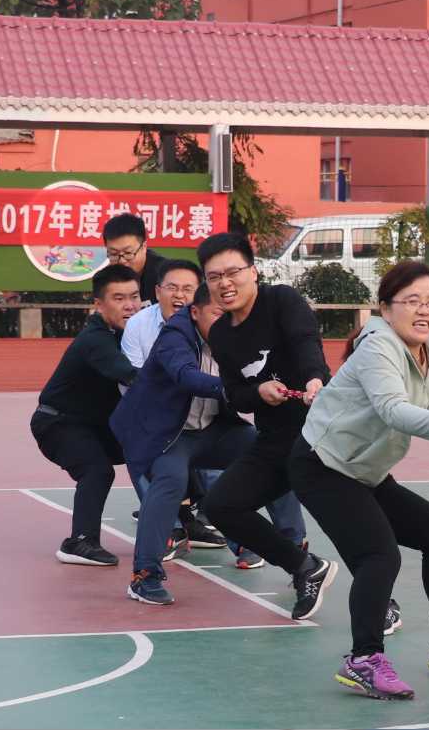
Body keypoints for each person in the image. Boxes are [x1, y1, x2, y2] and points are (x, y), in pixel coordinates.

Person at [292, 261, 429, 700]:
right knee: (379, 555)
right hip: (323, 466)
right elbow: (392, 409)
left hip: (366, 470)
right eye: (412, 301)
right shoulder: (378, 347)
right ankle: (364, 660)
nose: (424, 310)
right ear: (386, 308)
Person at [112, 281, 292, 604]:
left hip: (213, 430)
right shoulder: (174, 337)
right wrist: (239, 391)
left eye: (231, 315)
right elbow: (186, 376)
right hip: (168, 435)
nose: (227, 323)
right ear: (195, 312)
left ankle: (298, 556)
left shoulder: (237, 336)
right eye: (218, 315)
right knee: (170, 480)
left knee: (277, 451)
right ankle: (145, 576)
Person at [197, 232, 336, 621]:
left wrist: (314, 379)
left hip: (322, 434)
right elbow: (235, 394)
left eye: (233, 272)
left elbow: (306, 342)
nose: (225, 283)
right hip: (275, 440)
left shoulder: (281, 301)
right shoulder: (221, 333)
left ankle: (381, 605)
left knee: (346, 521)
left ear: (253, 271)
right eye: (214, 277)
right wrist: (258, 392)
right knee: (221, 506)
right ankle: (304, 567)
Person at [30, 264, 142, 566]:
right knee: (98, 470)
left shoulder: (131, 333)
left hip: (95, 425)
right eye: (119, 298)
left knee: (159, 449)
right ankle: (79, 542)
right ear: (99, 304)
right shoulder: (96, 339)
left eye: (134, 296)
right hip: (58, 423)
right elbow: (131, 375)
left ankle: (180, 523)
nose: (130, 305)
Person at [118, 259, 230, 552]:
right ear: (158, 291)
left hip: (201, 418)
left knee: (248, 452)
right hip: (152, 418)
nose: (179, 295)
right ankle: (167, 536)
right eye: (172, 287)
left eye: (188, 289)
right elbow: (135, 381)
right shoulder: (140, 325)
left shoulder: (217, 326)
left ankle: (212, 524)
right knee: (157, 465)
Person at [103, 213, 168, 305]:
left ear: (144, 247)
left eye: (128, 253)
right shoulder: (107, 277)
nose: (121, 261)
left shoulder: (165, 275)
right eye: (114, 254)